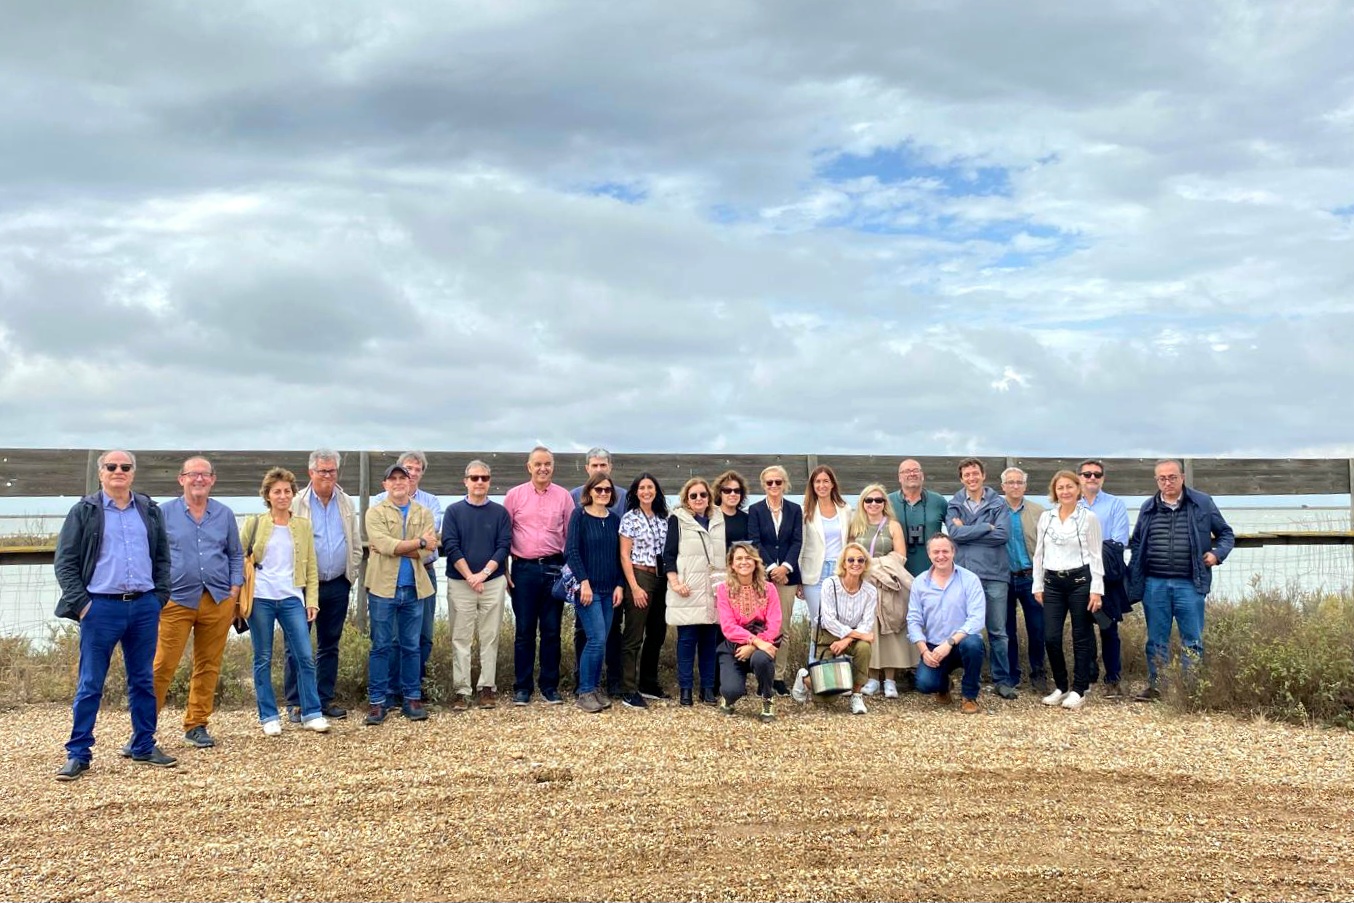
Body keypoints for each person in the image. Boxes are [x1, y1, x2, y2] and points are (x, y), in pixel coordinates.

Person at [53, 450, 176, 781]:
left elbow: (163, 558)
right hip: (101, 608)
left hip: (144, 607)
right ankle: (78, 754)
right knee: (91, 683)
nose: (118, 471)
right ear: (101, 473)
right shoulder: (85, 511)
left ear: (133, 473)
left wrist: (158, 597)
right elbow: (64, 562)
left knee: (143, 680)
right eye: (112, 466)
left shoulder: (149, 510)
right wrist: (83, 605)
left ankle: (143, 745)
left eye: (125, 466)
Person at [150, 456, 243, 750]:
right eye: (193, 475)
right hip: (176, 599)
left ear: (213, 480)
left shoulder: (224, 514)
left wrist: (235, 589)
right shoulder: (163, 513)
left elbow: (235, 554)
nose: (199, 479)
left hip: (218, 599)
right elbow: (150, 555)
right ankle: (143, 728)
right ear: (181, 479)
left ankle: (197, 724)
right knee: (163, 664)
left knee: (208, 665)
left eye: (205, 475)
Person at [1128, 459, 1235, 701]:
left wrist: (1217, 554)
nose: (1168, 482)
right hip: (1154, 584)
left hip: (1190, 583)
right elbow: (1137, 542)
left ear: (1182, 477)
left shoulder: (1202, 503)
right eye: (1162, 478)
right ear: (1157, 481)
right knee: (1156, 639)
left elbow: (1226, 534)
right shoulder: (1148, 507)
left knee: (1192, 639)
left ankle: (1190, 690)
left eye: (1172, 477)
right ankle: (1158, 688)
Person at [242, 467, 328, 736]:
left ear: (293, 494)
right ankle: (268, 716)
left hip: (292, 597)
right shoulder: (254, 522)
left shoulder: (302, 525)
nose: (282, 496)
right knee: (263, 657)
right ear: (267, 495)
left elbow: (311, 566)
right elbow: (237, 558)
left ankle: (312, 712)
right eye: (276, 491)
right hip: (260, 599)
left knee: (304, 655)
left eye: (287, 491)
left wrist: (311, 600)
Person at [285, 449, 361, 721]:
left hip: (337, 583)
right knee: (296, 643)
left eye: (331, 470)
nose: (327, 475)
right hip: (304, 586)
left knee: (329, 645)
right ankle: (295, 702)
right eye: (322, 470)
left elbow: (354, 540)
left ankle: (323, 699)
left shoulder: (346, 502)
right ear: (311, 473)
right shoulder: (297, 503)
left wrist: (349, 574)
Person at [364, 462, 439, 725]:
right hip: (383, 589)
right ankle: (377, 702)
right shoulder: (374, 513)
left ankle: (412, 698)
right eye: (392, 479)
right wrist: (417, 542)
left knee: (411, 645)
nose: (398, 483)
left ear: (410, 483)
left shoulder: (424, 512)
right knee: (381, 646)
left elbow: (428, 551)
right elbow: (383, 543)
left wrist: (399, 548)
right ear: (385, 485)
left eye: (402, 478)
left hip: (415, 588)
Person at [503, 446, 575, 706]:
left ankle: (549, 686)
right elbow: (504, 535)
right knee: (523, 631)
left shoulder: (564, 497)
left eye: (547, 464)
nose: (543, 468)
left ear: (552, 467)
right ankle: (522, 687)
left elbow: (570, 535)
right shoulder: (514, 496)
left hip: (555, 568)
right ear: (529, 466)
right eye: (538, 464)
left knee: (552, 630)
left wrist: (569, 572)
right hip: (523, 569)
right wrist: (504, 569)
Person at [441, 459, 512, 711]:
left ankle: (486, 688)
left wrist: (482, 574)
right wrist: (470, 575)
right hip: (461, 583)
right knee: (460, 637)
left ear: (490, 482)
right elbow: (450, 545)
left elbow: (503, 546)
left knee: (490, 636)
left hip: (492, 582)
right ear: (466, 481)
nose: (479, 482)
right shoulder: (452, 511)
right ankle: (461, 690)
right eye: (474, 478)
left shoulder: (500, 513)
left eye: (484, 478)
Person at [1033, 471, 1105, 711]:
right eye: (1060, 487)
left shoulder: (1089, 518)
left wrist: (1096, 589)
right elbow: (1039, 554)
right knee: (1051, 637)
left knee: (1081, 636)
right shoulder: (1047, 517)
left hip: (1080, 582)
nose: (1065, 491)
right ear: (1054, 491)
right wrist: (1038, 584)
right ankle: (1061, 686)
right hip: (1052, 583)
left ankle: (1079, 689)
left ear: (1078, 489)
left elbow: (1096, 555)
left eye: (1069, 487)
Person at [946, 457, 1016, 699]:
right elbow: (954, 534)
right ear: (961, 478)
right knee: (966, 631)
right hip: (965, 575)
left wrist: (968, 531)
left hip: (995, 574)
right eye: (967, 475)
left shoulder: (998, 503)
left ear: (983, 475)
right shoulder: (954, 503)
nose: (971, 478)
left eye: (975, 473)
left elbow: (1003, 535)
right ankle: (968, 680)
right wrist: (986, 527)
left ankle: (1002, 680)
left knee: (998, 631)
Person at [791, 541, 877, 715]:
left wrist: (847, 640)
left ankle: (856, 694)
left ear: (865, 564)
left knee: (864, 648)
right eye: (851, 560)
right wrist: (852, 635)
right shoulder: (830, 584)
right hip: (828, 635)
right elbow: (828, 620)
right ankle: (804, 678)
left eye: (860, 560)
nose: (855, 564)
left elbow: (866, 623)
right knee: (826, 697)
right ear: (843, 563)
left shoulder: (870, 591)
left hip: (853, 638)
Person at [907, 535, 987, 715]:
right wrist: (924, 651)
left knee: (974, 644)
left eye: (945, 551)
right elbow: (913, 620)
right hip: (934, 646)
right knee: (924, 684)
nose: (941, 556)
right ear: (929, 554)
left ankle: (969, 696)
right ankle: (944, 686)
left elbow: (976, 619)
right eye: (936, 552)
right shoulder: (920, 582)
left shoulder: (970, 579)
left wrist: (949, 643)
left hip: (962, 643)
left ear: (953, 553)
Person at [570, 447, 627, 693]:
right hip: (587, 590)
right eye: (598, 489)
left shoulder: (614, 520)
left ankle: (595, 688)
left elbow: (620, 555)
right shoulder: (578, 515)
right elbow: (571, 551)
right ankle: (584, 689)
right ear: (589, 490)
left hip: (609, 589)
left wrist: (619, 585)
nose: (603, 493)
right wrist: (583, 582)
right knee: (593, 639)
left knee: (602, 640)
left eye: (607, 490)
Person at [850, 482, 915, 698]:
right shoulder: (855, 525)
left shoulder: (893, 525)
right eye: (869, 500)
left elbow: (900, 555)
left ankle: (890, 680)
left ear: (885, 503)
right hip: (864, 585)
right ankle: (871, 677)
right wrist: (865, 569)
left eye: (878, 500)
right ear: (863, 503)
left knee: (890, 631)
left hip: (887, 584)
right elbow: (849, 553)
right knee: (868, 630)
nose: (873, 504)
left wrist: (874, 566)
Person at [664, 478, 724, 706]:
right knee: (687, 642)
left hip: (712, 591)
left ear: (709, 497)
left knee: (709, 643)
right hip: (687, 590)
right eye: (694, 495)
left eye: (703, 495)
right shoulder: (677, 521)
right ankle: (686, 690)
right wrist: (675, 582)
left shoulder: (718, 520)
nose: (699, 499)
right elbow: (668, 555)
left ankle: (707, 689)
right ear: (686, 499)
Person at [1076, 458, 1131, 697]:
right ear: (1079, 477)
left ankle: (1113, 678)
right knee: (1082, 628)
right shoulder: (1071, 505)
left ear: (1103, 478)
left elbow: (1119, 541)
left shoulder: (1115, 505)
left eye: (1096, 474)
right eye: (1087, 474)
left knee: (1109, 628)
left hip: (1107, 575)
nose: (1092, 478)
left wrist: (1088, 549)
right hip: (1077, 575)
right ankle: (1088, 674)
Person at [747, 465, 803, 696]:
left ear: (785, 484)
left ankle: (778, 676)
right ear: (763, 485)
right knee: (761, 627)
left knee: (783, 629)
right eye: (769, 482)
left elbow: (797, 541)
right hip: (763, 576)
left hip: (788, 576)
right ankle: (762, 676)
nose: (773, 486)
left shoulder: (794, 509)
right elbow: (755, 541)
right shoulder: (756, 510)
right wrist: (771, 568)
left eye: (778, 482)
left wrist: (785, 567)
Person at [617, 472, 669, 709]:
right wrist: (634, 587)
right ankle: (628, 688)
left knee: (657, 632)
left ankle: (648, 683)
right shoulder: (630, 518)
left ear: (656, 491)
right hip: (639, 575)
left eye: (650, 487)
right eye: (642, 488)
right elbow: (624, 555)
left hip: (661, 578)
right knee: (634, 635)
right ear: (636, 492)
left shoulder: (663, 518)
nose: (646, 491)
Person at [715, 542, 783, 722]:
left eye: (748, 558)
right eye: (739, 558)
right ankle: (728, 698)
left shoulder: (769, 589)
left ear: (755, 562)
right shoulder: (723, 589)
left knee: (762, 658)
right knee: (732, 691)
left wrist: (755, 645)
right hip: (733, 647)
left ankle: (767, 697)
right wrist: (756, 642)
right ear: (731, 564)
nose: (744, 562)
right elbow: (728, 627)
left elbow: (774, 624)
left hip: (762, 643)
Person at [798, 465, 853, 666]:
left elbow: (851, 541)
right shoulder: (806, 512)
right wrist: (798, 580)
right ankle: (816, 670)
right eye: (817, 482)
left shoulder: (845, 509)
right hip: (815, 573)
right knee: (818, 623)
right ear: (812, 485)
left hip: (841, 573)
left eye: (825, 481)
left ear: (832, 484)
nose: (821, 485)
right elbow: (801, 545)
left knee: (841, 622)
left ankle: (842, 671)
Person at [1000, 466, 1048, 694]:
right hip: (1003, 578)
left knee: (1038, 628)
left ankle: (1038, 673)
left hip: (1031, 577)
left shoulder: (1039, 512)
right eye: (1010, 482)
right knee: (1006, 629)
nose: (1015, 486)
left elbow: (1048, 547)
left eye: (1019, 482)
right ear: (1003, 487)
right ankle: (1011, 675)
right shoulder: (994, 511)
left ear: (1025, 486)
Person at [888, 459, 948, 576]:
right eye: (906, 471)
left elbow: (954, 532)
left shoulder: (938, 501)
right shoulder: (887, 502)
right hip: (898, 573)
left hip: (934, 573)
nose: (912, 474)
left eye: (916, 470)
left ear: (922, 476)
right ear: (899, 477)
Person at [569, 446, 628, 514]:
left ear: (610, 467)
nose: (599, 470)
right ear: (587, 468)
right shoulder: (574, 495)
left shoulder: (623, 496)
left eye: (603, 465)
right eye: (594, 465)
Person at [712, 470, 751, 545]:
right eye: (727, 490)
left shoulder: (747, 519)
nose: (733, 494)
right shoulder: (710, 517)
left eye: (737, 491)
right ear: (720, 493)